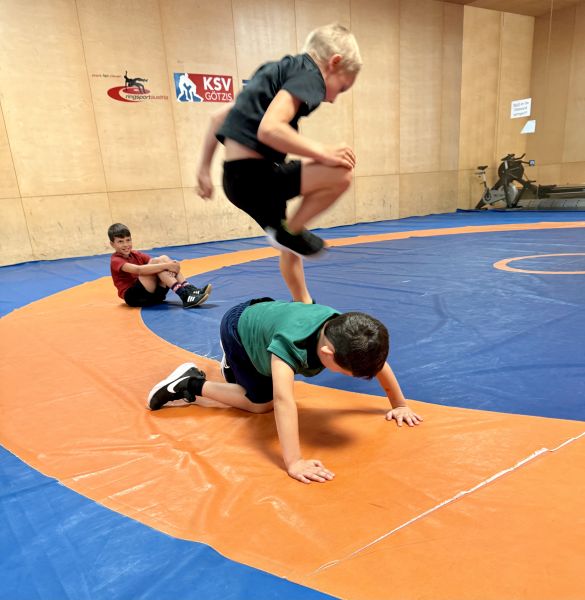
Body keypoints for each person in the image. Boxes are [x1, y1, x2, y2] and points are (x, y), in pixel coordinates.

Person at [147, 298, 422, 484]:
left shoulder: (345, 331)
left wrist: (399, 404)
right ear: (328, 354)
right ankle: (189, 383)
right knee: (260, 404)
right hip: (237, 329)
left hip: (265, 316)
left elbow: (378, 364)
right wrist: (294, 462)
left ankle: (234, 370)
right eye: (347, 373)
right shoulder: (290, 345)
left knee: (259, 386)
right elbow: (283, 400)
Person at [196, 23, 362, 304]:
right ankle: (290, 232)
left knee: (290, 247)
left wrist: (203, 170)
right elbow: (270, 129)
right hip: (256, 177)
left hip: (236, 180)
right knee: (341, 173)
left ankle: (303, 303)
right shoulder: (310, 73)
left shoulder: (273, 73)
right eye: (342, 87)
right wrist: (323, 152)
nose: (333, 99)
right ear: (333, 63)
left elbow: (217, 118)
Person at [108, 223, 211, 308]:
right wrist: (169, 266)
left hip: (154, 296)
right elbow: (138, 270)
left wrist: (171, 264)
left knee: (163, 258)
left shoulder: (135, 254)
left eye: (128, 240)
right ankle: (184, 295)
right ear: (112, 244)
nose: (126, 245)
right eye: (120, 242)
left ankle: (188, 288)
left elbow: (157, 263)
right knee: (159, 263)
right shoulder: (115, 260)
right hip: (134, 298)